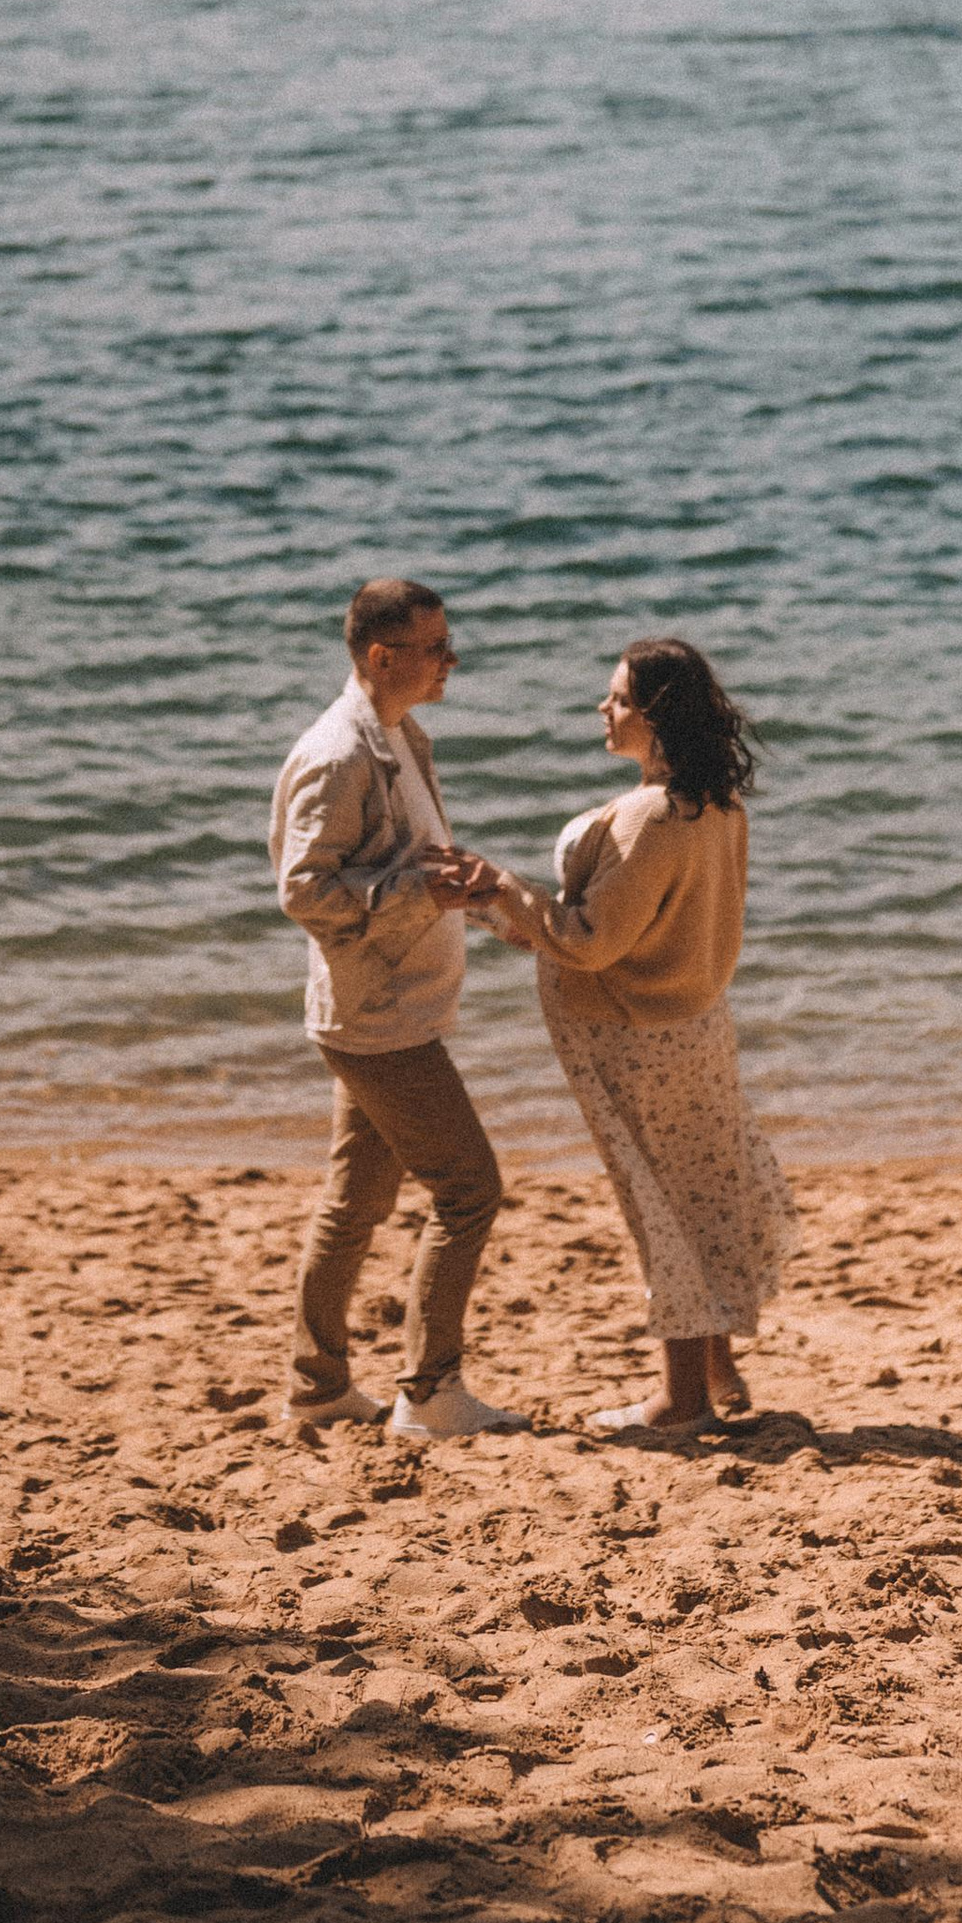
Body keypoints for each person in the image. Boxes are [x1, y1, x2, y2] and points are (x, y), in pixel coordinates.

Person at [428, 635, 793, 1436]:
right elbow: (631, 927)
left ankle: (682, 1401)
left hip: (633, 1041)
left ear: (656, 716)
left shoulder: (649, 818)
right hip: (694, 1029)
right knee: (703, 1192)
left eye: (620, 699)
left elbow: (591, 941)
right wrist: (494, 904)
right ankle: (714, 1365)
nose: (605, 708)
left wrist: (500, 885)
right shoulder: (717, 804)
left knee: (658, 1203)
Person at [269, 578, 530, 1441]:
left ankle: (317, 1386)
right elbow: (305, 891)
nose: (452, 660)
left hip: (387, 1007)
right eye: (436, 646)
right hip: (379, 1019)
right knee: (469, 1191)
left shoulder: (399, 734)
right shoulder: (339, 754)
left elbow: (413, 865)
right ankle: (429, 1391)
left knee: (355, 1203)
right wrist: (417, 889)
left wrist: (486, 905)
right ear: (383, 657)